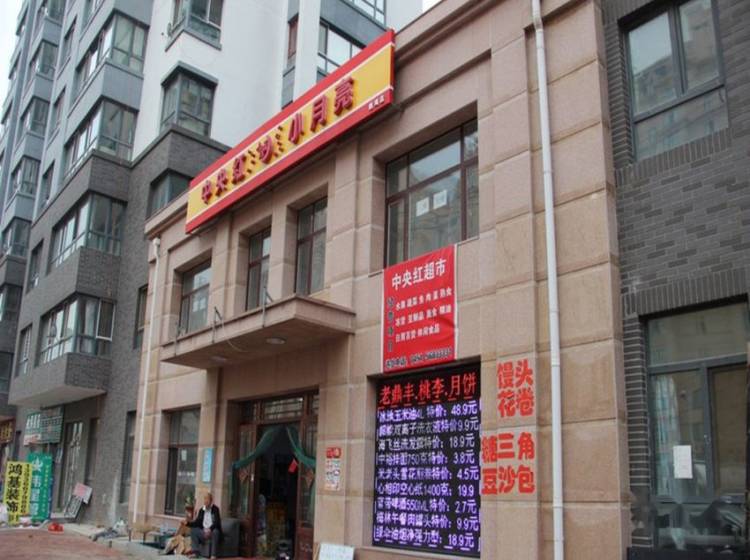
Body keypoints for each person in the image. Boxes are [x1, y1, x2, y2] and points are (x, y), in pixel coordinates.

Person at [184, 492, 222, 559]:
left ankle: (213, 555)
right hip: (203, 532)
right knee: (193, 530)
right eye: (204, 499)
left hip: (212, 531)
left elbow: (217, 522)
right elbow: (197, 522)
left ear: (211, 500)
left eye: (207, 499)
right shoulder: (202, 510)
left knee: (216, 531)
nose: (205, 501)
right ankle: (195, 553)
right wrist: (187, 523)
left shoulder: (215, 509)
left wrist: (210, 529)